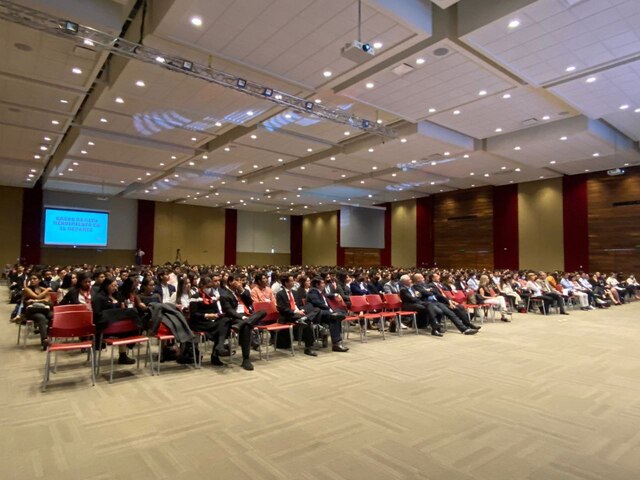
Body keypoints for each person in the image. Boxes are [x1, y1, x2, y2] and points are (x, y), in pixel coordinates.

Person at [219, 274, 267, 371]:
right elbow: (229, 311)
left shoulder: (243, 291)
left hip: (245, 317)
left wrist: (241, 291)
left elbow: (250, 303)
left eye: (241, 280)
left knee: (263, 311)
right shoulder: (224, 294)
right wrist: (242, 317)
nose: (240, 283)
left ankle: (242, 323)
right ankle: (246, 359)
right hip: (233, 318)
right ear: (230, 282)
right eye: (237, 280)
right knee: (246, 327)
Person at [91, 277, 136, 365]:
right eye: (113, 286)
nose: (115, 288)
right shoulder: (98, 297)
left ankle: (123, 356)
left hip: (119, 324)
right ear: (106, 286)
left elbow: (123, 305)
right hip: (105, 325)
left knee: (132, 314)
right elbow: (97, 314)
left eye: (116, 286)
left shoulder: (117, 295)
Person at [276, 274, 316, 356]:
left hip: (298, 314)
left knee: (313, 310)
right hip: (288, 316)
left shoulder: (295, 292)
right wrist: (295, 312)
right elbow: (282, 309)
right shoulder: (280, 294)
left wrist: (301, 310)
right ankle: (308, 348)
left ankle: (304, 318)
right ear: (286, 283)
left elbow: (299, 304)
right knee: (307, 321)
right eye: (291, 280)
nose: (293, 282)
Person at [305, 277, 349, 352]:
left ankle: (336, 344)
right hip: (318, 314)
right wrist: (329, 309)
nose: (324, 284)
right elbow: (318, 303)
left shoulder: (320, 292)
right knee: (334, 315)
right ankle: (336, 344)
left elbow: (326, 295)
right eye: (322, 283)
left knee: (335, 317)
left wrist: (334, 294)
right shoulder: (312, 291)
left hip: (326, 314)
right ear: (317, 284)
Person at [22, 272, 55, 350]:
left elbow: (48, 301)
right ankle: (44, 340)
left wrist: (34, 301)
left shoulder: (42, 289)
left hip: (44, 310)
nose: (32, 280)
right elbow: (36, 296)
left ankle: (47, 336)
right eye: (31, 279)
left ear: (39, 280)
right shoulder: (27, 289)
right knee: (41, 317)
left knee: (52, 315)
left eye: (35, 279)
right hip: (31, 311)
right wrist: (46, 290)